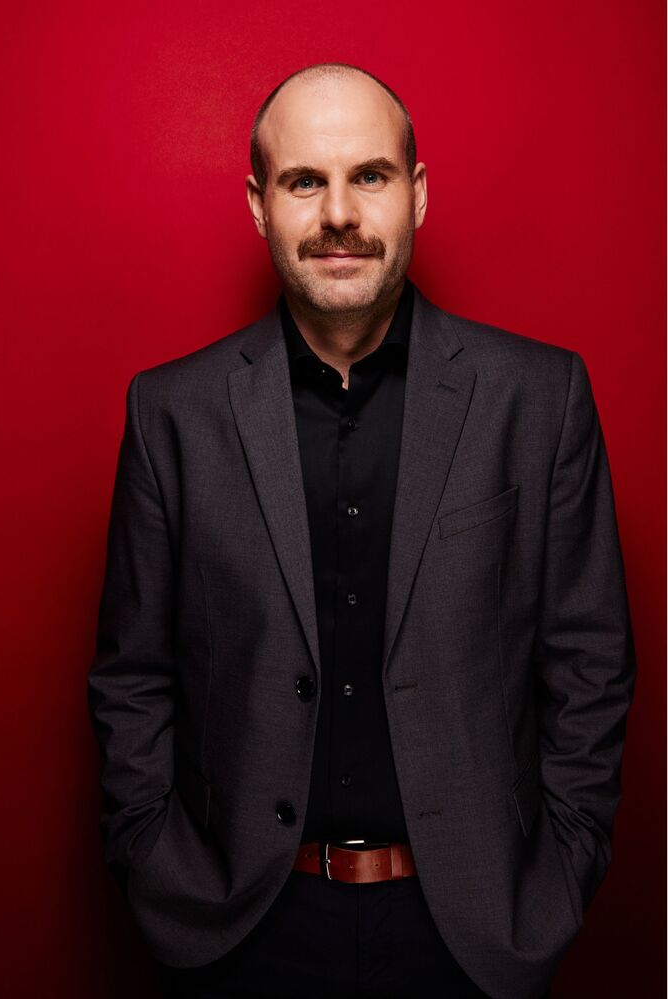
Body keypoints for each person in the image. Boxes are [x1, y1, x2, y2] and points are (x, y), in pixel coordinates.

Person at [87, 63, 636, 999]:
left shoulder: (539, 399)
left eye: (369, 176)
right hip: (239, 929)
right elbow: (131, 677)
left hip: (473, 931)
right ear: (259, 205)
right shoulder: (170, 414)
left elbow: (589, 661)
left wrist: (557, 871)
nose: (338, 213)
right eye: (305, 180)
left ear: (415, 193)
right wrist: (158, 864)